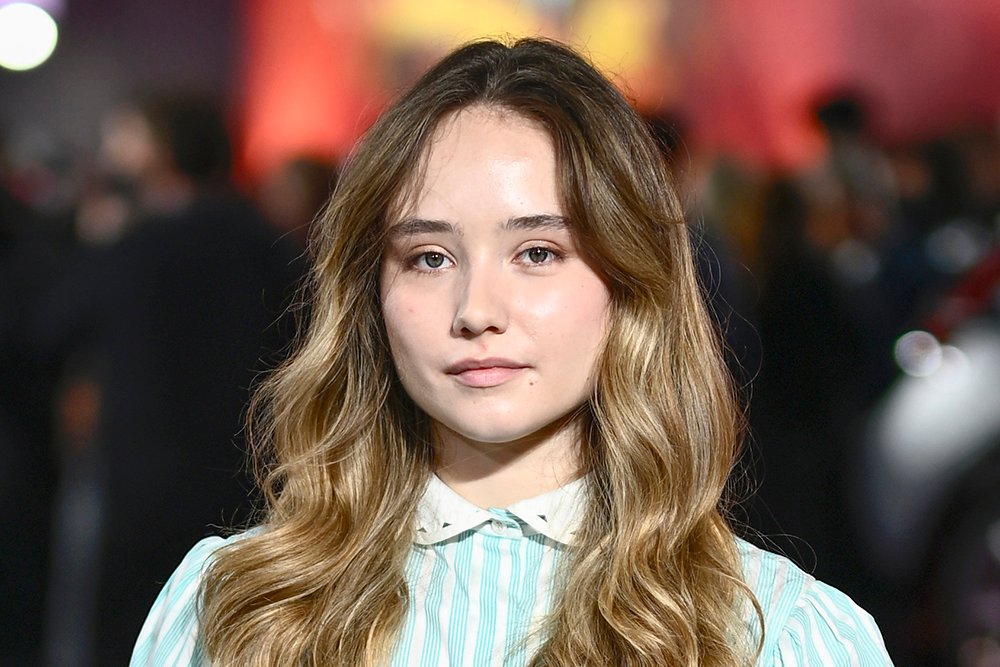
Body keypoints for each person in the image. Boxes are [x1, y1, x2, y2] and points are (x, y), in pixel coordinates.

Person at [131, 38, 892, 666]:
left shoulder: (779, 636)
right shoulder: (233, 608)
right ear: (371, 293)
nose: (476, 311)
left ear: (630, 280)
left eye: (537, 252)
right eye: (429, 257)